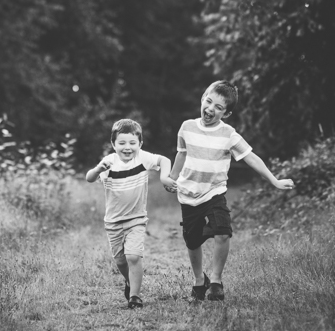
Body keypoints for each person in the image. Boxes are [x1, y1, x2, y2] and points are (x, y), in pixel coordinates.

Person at [167, 80, 295, 301]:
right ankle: (199, 280)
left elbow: (251, 158)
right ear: (202, 98)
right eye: (209, 102)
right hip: (188, 194)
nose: (210, 109)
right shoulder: (186, 127)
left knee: (223, 232)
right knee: (192, 241)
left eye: (219, 107)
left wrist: (274, 180)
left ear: (226, 114)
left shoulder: (228, 134)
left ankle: (215, 281)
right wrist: (172, 177)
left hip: (214, 192)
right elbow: (181, 154)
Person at [86, 118, 175, 309]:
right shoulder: (109, 162)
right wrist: (97, 169)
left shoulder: (142, 158)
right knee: (120, 260)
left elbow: (164, 160)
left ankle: (135, 296)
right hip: (113, 222)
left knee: (133, 256)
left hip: (136, 219)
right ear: (113, 144)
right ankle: (129, 281)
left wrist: (164, 176)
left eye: (132, 143)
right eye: (122, 143)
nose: (127, 147)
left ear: (140, 144)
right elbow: (89, 178)